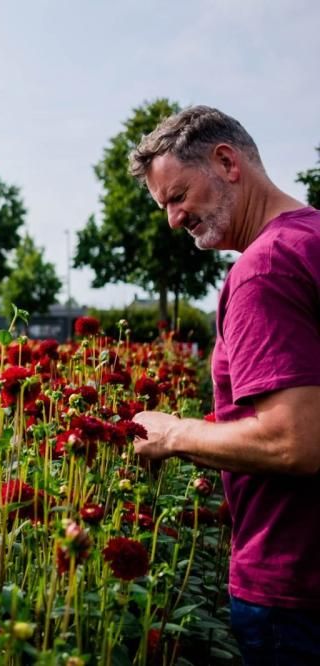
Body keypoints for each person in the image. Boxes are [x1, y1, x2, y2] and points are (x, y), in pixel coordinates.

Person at [128, 105, 320, 664]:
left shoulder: (268, 266)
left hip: (293, 582)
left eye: (178, 195)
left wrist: (173, 434)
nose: (173, 218)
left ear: (226, 162)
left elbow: (294, 442)